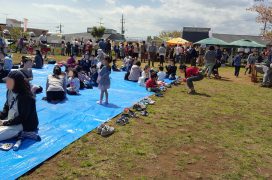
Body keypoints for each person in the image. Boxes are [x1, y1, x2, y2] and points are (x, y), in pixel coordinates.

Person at [0, 70, 39, 142]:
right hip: (12, 119)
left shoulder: (26, 97)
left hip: (25, 124)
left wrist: (4, 123)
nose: (6, 84)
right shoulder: (10, 91)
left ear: (17, 83)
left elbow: (22, 118)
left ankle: (21, 133)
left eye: (9, 81)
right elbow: (6, 107)